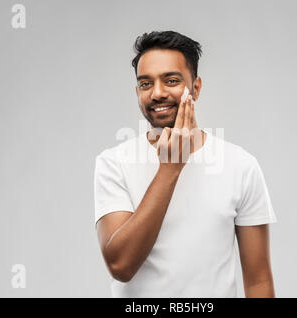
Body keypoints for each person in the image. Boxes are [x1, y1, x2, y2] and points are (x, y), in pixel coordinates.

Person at [94, 30, 277, 298]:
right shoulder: (113, 163)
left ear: (196, 87)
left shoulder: (241, 165)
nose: (157, 93)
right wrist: (171, 167)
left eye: (171, 80)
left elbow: (259, 281)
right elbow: (120, 265)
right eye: (146, 84)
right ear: (137, 91)